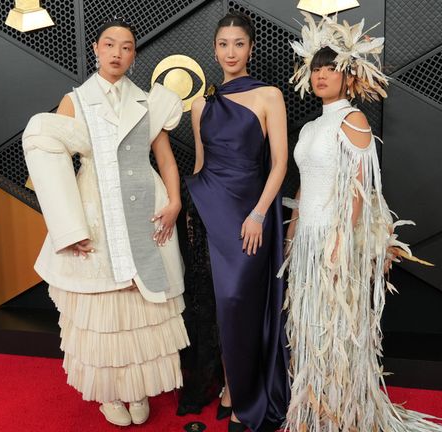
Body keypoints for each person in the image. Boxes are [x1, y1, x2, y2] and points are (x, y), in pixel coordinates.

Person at [282, 13, 442, 432]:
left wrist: (342, 240)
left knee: (336, 329)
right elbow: (304, 184)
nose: (321, 75)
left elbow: (360, 188)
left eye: (330, 68)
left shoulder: (352, 120)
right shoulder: (310, 128)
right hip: (307, 241)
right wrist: (292, 232)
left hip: (335, 239)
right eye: (316, 69)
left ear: (348, 75)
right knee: (310, 328)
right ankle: (315, 414)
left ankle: (344, 416)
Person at [22, 17, 189, 427]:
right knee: (103, 310)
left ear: (134, 55)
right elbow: (51, 161)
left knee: (142, 306)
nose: (117, 53)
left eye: (126, 47)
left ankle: (137, 389)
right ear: (96, 49)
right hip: (95, 209)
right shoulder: (75, 100)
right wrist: (68, 225)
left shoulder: (148, 101)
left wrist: (174, 203)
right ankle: (110, 393)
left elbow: (166, 160)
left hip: (146, 208)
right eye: (110, 44)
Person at [182, 11, 290, 432]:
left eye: (239, 44)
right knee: (215, 306)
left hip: (249, 216)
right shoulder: (200, 105)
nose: (231, 52)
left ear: (250, 48)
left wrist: (259, 213)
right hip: (209, 212)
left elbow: (279, 164)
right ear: (214, 50)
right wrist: (193, 214)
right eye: (224, 44)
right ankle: (228, 387)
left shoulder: (269, 96)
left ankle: (245, 396)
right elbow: (200, 165)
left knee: (239, 304)